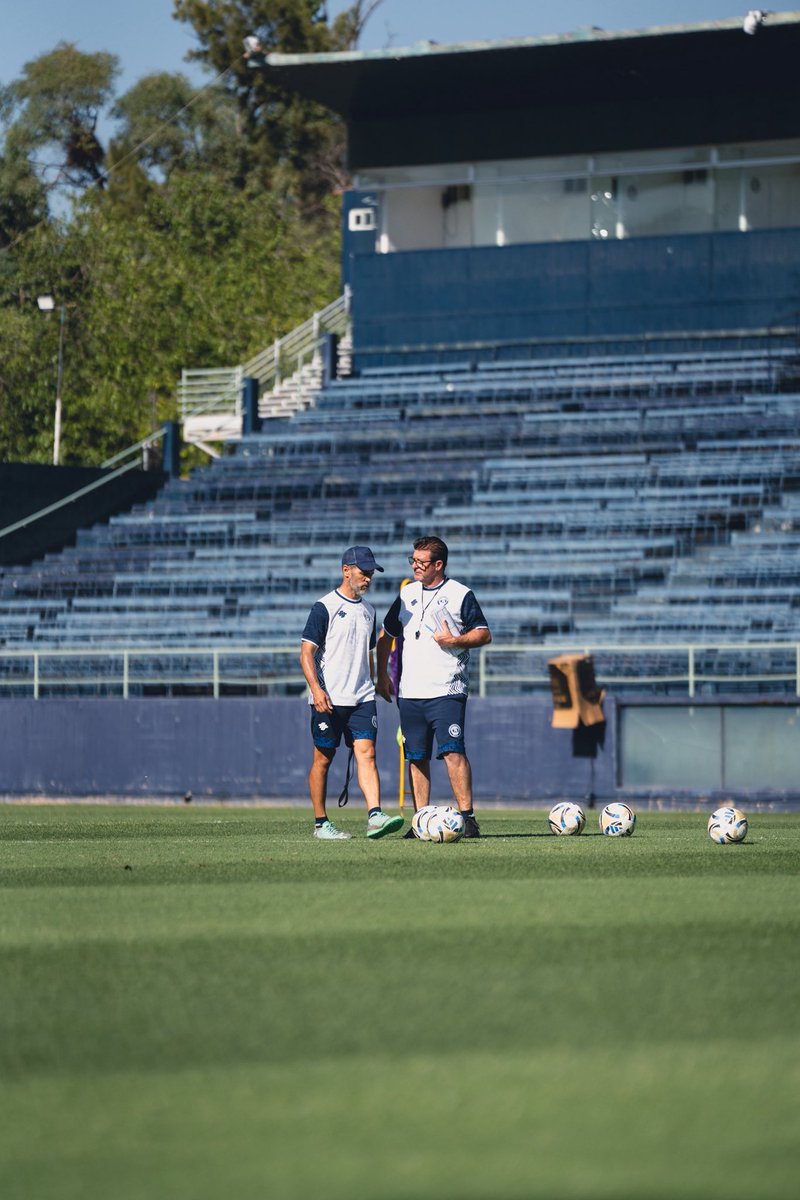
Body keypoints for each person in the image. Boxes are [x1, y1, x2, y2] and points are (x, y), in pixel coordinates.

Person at [376, 536, 491, 838]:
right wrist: (382, 675)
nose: (415, 565)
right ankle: (420, 820)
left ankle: (468, 818)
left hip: (447, 689)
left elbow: (483, 634)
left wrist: (455, 640)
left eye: (421, 562)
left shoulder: (460, 594)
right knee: (416, 756)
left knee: (453, 752)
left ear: (438, 565)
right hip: (410, 692)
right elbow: (385, 635)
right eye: (412, 560)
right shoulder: (406, 594)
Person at [300, 545, 405, 841]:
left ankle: (375, 816)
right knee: (323, 758)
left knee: (367, 753)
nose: (368, 578)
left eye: (371, 573)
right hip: (329, 698)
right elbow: (306, 653)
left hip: (362, 697)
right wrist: (316, 690)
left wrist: (379, 679)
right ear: (346, 571)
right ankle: (321, 823)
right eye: (364, 571)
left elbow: (367, 654)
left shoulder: (370, 611)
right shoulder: (324, 607)